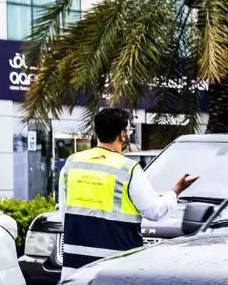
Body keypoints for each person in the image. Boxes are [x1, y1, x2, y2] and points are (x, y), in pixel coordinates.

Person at [59, 108, 197, 270]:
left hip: (75, 268)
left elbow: (64, 213)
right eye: (129, 129)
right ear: (123, 135)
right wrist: (176, 191)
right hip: (116, 267)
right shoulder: (128, 169)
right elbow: (155, 211)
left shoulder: (73, 163)